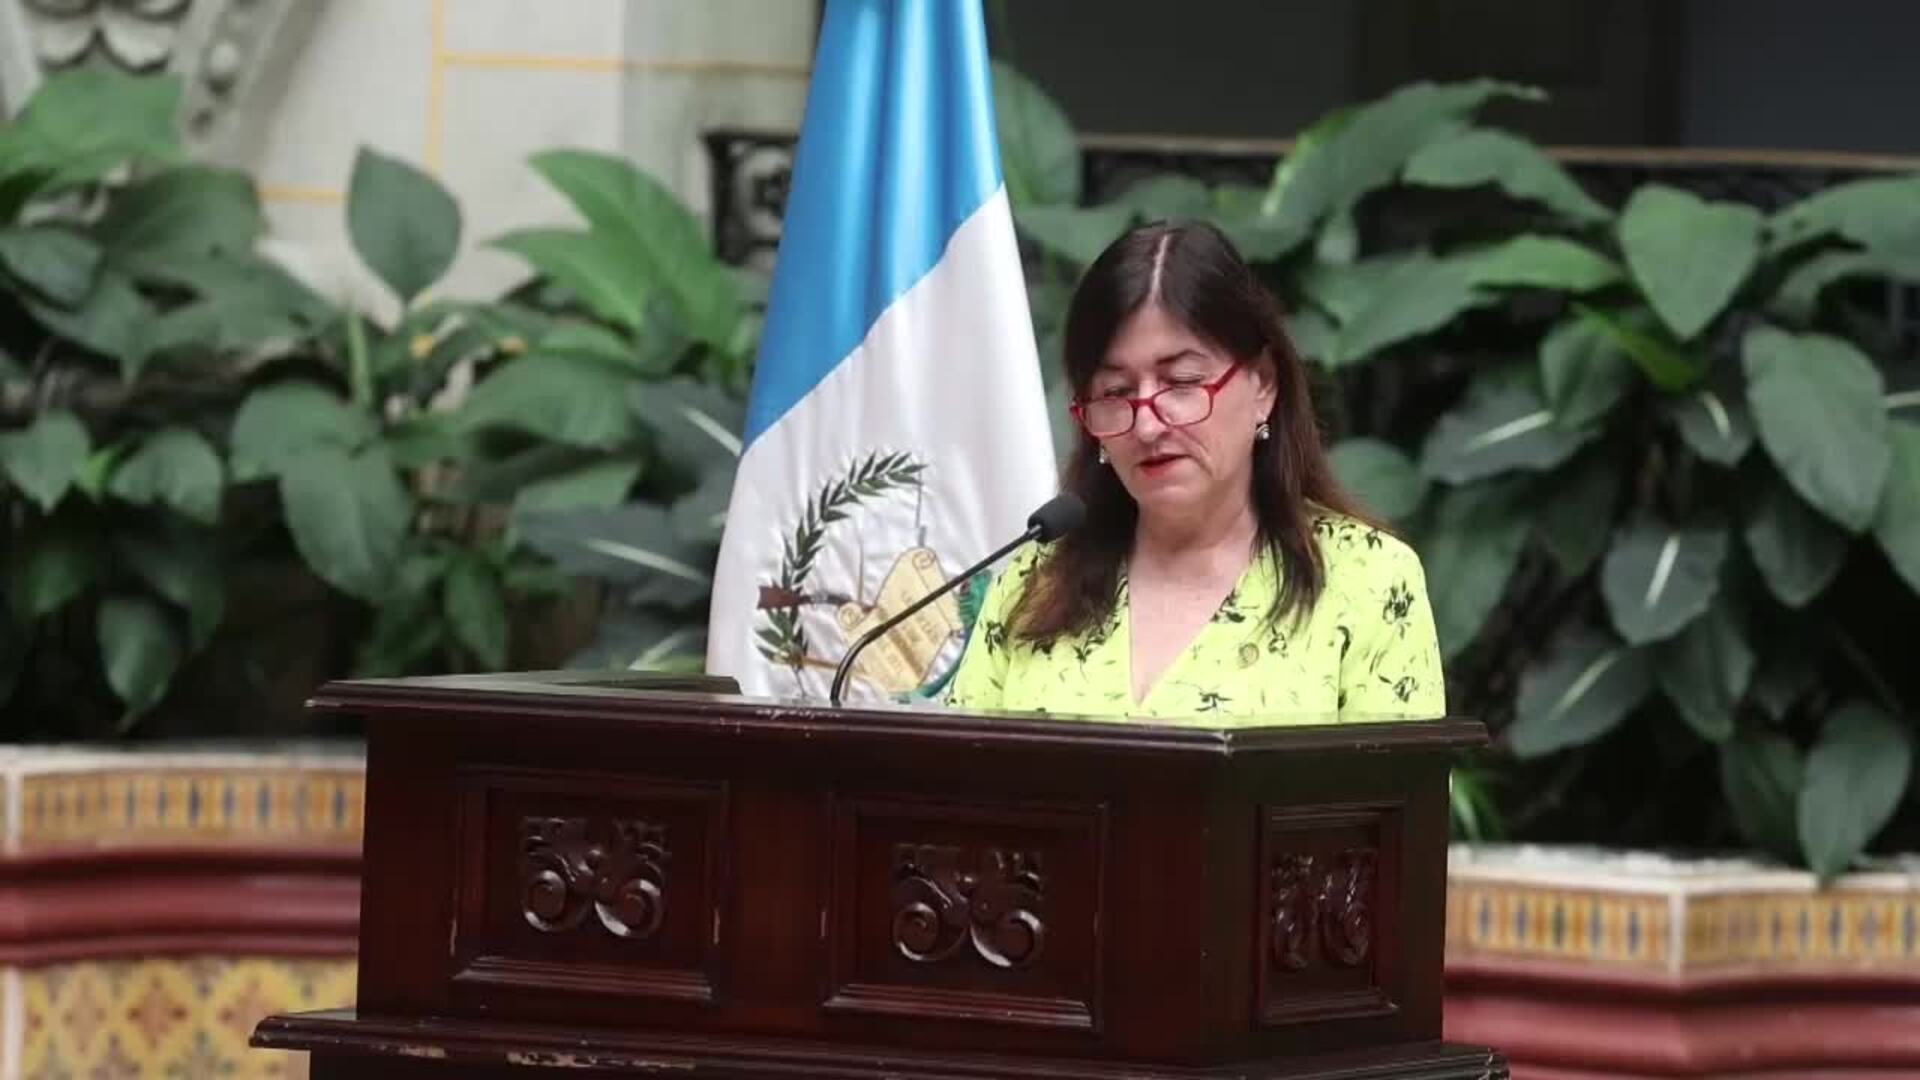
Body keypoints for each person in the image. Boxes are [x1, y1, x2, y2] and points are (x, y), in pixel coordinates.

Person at [944, 221, 1443, 724]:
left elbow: (1403, 779)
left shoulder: (1368, 580)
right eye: (1116, 392)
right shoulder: (1034, 582)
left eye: (1181, 383)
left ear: (1263, 385)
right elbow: (953, 771)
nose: (1146, 425)